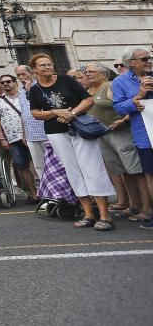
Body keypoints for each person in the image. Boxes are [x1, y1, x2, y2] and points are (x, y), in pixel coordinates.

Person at [28, 53, 116, 231]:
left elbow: (88, 100)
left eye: (50, 64)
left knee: (92, 167)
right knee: (72, 170)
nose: (48, 67)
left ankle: (105, 215)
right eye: (43, 65)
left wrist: (72, 113)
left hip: (79, 128)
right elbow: (35, 113)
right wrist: (55, 112)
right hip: (56, 133)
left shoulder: (66, 80)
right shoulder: (35, 89)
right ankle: (88, 214)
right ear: (35, 69)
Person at [85, 63, 150, 221]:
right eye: (86, 72)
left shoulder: (111, 86)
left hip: (120, 133)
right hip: (103, 135)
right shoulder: (88, 90)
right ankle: (133, 205)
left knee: (136, 171)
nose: (87, 74)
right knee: (123, 171)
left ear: (103, 73)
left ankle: (146, 207)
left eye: (91, 71)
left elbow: (128, 105)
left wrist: (123, 120)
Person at [112, 46, 153, 230]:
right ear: (131, 63)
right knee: (151, 176)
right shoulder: (120, 82)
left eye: (149, 58)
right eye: (144, 59)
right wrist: (139, 95)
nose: (149, 61)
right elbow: (119, 108)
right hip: (144, 135)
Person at [0, 75, 38, 202]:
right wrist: (2, 138)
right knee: (22, 166)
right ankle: (34, 194)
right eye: (3, 82)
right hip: (13, 138)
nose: (6, 84)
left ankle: (45, 191)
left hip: (32, 134)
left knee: (37, 164)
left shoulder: (25, 95)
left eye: (8, 81)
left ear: (15, 82)